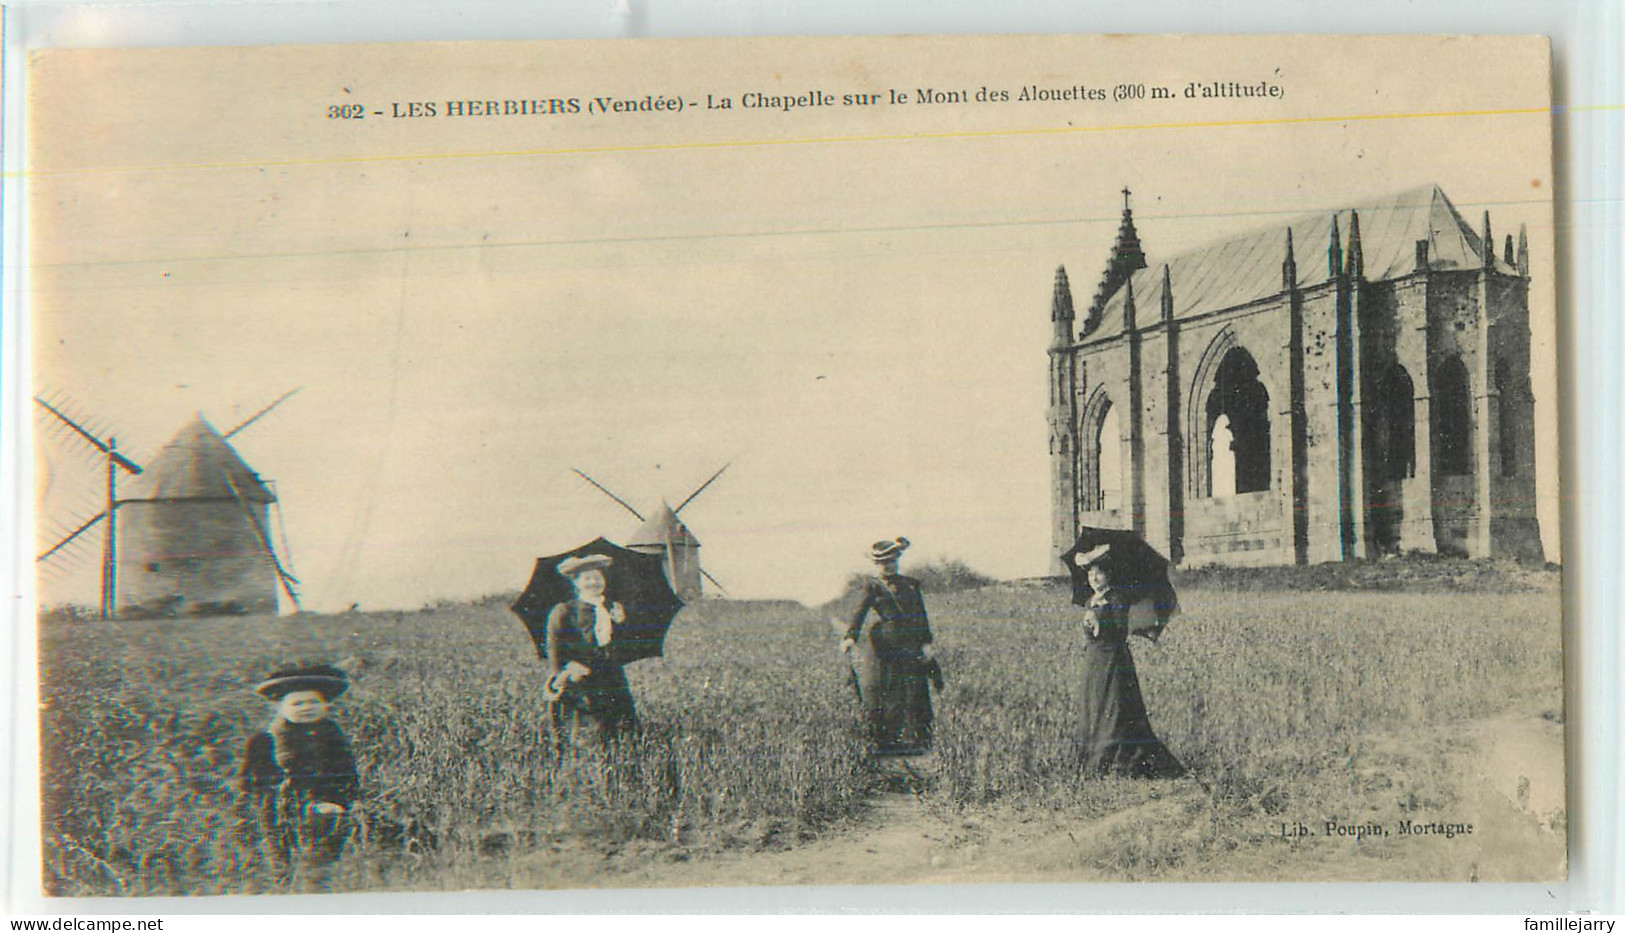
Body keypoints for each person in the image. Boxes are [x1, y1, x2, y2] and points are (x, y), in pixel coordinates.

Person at [236, 664, 361, 890]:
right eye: (297, 703)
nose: (306, 708)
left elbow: (346, 772)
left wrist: (338, 801)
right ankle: (284, 883)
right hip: (281, 808)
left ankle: (321, 879)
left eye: (313, 702)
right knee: (283, 856)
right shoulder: (266, 740)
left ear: (325, 705)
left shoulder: (332, 735)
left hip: (327, 805)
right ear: (281, 708)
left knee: (325, 853)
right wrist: (275, 793)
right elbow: (250, 782)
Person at [1072, 544, 1186, 779]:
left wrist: (1099, 620)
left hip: (1114, 660)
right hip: (1094, 662)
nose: (1094, 577)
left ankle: (1121, 763)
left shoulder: (1117, 598)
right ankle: (1094, 759)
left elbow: (1119, 629)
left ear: (1109, 575)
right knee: (1095, 706)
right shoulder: (1091, 601)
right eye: (1090, 573)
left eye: (1099, 573)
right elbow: (1089, 634)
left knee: (1116, 708)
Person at [841, 537, 939, 755]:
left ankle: (919, 739)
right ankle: (886, 741)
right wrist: (850, 637)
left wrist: (926, 643)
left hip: (911, 642)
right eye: (884, 563)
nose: (889, 566)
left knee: (915, 688)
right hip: (886, 645)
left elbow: (920, 616)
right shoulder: (873, 587)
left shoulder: (911, 585)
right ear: (876, 565)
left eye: (892, 561)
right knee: (887, 689)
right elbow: (859, 613)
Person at [545, 553, 638, 746]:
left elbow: (617, 644)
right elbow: (554, 646)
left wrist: (621, 623)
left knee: (619, 723)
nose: (593, 582)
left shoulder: (611, 608)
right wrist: (562, 672)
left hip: (610, 673)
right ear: (576, 583)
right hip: (579, 675)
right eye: (587, 578)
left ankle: (619, 757)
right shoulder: (565, 610)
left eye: (597, 577)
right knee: (586, 728)